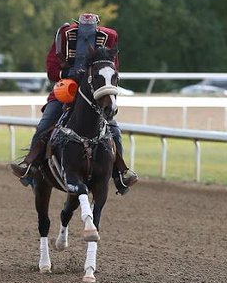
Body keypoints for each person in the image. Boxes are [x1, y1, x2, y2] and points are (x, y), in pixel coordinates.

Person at [7, 13, 139, 194]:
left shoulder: (109, 38)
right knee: (46, 123)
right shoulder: (64, 36)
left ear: (97, 28)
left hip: (94, 94)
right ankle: (30, 166)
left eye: (90, 31)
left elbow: (112, 68)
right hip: (67, 90)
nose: (86, 33)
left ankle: (120, 174)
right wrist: (69, 73)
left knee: (114, 130)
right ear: (77, 26)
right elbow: (52, 69)